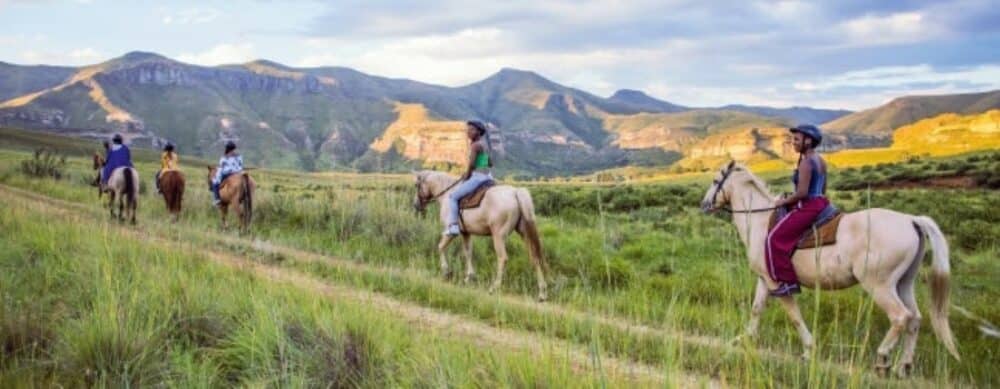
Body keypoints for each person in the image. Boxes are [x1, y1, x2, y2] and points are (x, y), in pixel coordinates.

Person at [766, 124, 829, 297]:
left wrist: (782, 202)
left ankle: (788, 282)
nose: (793, 142)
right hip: (821, 202)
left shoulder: (807, 163)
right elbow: (823, 189)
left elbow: (801, 193)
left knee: (774, 238)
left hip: (808, 206)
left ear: (808, 141)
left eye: (796, 139)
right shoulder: (820, 160)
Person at [444, 121, 495, 236]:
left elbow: (471, 165)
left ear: (478, 132)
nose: (468, 132)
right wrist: (481, 162)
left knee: (453, 197)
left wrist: (467, 175)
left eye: (471, 129)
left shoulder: (475, 145)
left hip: (478, 177)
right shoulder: (485, 144)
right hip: (488, 176)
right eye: (468, 129)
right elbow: (490, 163)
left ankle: (454, 226)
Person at [211, 141, 243, 206]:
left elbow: (221, 167)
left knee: (215, 182)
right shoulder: (239, 156)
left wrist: (218, 174)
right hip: (238, 172)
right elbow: (241, 165)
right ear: (234, 148)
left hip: (228, 173)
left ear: (227, 148)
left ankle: (216, 199)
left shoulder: (224, 157)